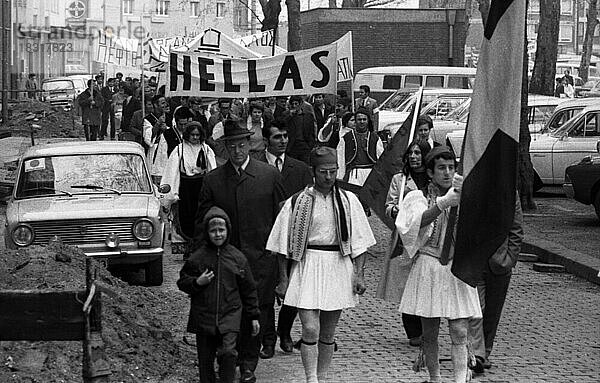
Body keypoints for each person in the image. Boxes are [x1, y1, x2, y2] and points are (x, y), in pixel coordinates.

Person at [266, 146, 376, 383]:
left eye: (333, 171)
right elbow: (280, 245)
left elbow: (361, 242)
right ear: (313, 171)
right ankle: (311, 379)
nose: (329, 177)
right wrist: (283, 279)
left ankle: (323, 377)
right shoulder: (297, 202)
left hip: (337, 264)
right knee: (310, 328)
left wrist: (359, 275)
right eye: (324, 172)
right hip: (307, 264)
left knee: (327, 332)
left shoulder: (348, 201)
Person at [195, 120, 285, 383]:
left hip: (261, 260)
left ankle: (248, 364)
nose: (237, 151)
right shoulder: (213, 180)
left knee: (257, 313)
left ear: (250, 144)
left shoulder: (268, 175)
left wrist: (281, 264)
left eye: (241, 145)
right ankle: (229, 359)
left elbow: (282, 221)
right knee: (229, 314)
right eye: (231, 146)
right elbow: (202, 222)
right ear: (224, 148)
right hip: (226, 262)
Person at [397, 146, 482, 383]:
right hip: (430, 265)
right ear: (431, 173)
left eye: (451, 168)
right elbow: (412, 225)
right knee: (430, 332)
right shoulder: (418, 196)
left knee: (459, 330)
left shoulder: (465, 195)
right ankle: (435, 378)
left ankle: (459, 379)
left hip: (456, 268)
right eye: (441, 168)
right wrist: (442, 203)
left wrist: (466, 198)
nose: (447, 173)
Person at [177, 206, 260, 383]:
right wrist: (197, 283)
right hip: (204, 316)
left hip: (230, 314)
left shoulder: (237, 258)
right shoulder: (197, 258)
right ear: (207, 232)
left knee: (228, 353)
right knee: (205, 361)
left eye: (221, 230)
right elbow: (182, 282)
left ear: (227, 230)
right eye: (213, 230)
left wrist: (253, 316)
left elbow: (249, 289)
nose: (217, 234)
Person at [257, 119, 313, 355]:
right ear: (266, 140)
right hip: (265, 238)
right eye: (277, 137)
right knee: (266, 292)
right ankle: (268, 341)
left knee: (293, 288)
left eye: (285, 136)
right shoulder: (256, 166)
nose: (283, 141)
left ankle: (285, 330)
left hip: (295, 240)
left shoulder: (299, 169)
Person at [377, 140, 431, 348]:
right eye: (411, 153)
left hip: (428, 237)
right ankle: (413, 330)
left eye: (418, 153)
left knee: (424, 282)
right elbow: (389, 205)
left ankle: (427, 325)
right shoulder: (400, 180)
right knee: (406, 283)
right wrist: (395, 212)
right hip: (405, 238)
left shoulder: (432, 180)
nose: (414, 157)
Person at [468, 196, 523, 373]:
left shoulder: (509, 194)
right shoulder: (472, 185)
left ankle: (485, 351)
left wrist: (509, 260)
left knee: (493, 310)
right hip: (475, 261)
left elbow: (516, 230)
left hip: (499, 262)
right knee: (476, 309)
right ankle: (476, 354)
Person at [162, 121, 216, 242]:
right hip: (185, 188)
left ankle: (200, 244)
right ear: (187, 135)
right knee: (185, 217)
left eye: (197, 135)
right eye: (193, 135)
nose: (195, 138)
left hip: (201, 187)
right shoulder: (179, 150)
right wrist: (171, 194)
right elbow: (172, 172)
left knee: (201, 216)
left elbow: (212, 170)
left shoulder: (206, 149)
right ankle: (186, 247)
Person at [337, 108, 384, 187]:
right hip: (354, 175)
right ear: (355, 121)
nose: (362, 122)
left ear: (368, 120)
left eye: (364, 119)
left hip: (371, 174)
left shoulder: (375, 138)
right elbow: (340, 158)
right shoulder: (346, 138)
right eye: (359, 119)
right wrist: (340, 177)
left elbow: (381, 158)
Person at [143, 94, 171, 185]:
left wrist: (166, 130)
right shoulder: (148, 119)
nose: (165, 105)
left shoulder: (170, 118)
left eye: (165, 103)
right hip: (155, 152)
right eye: (162, 103)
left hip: (168, 151)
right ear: (155, 105)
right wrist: (158, 124)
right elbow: (148, 139)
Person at [285, 95, 318, 165]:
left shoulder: (308, 116)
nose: (294, 106)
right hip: (292, 146)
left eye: (296, 104)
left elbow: (311, 131)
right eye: (292, 104)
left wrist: (310, 144)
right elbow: (282, 124)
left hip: (305, 145)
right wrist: (290, 116)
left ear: (300, 104)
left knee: (305, 166)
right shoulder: (287, 115)